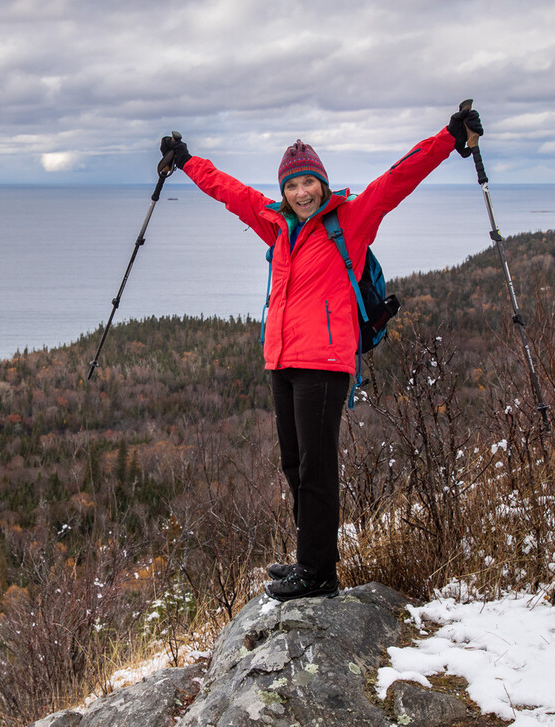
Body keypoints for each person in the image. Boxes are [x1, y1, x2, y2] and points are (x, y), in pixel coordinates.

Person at [160, 105, 483, 601]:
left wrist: (449, 137)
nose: (301, 192)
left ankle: (319, 574)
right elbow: (228, 191)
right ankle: (309, 560)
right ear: (284, 191)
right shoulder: (276, 225)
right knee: (295, 464)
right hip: (283, 361)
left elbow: (398, 178)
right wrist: (186, 162)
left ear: (322, 184)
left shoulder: (351, 219)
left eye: (308, 183)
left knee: (317, 467)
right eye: (292, 185)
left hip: (326, 362)